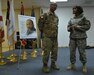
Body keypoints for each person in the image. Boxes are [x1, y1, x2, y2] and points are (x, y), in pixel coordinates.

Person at [67, 6, 91, 73]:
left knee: (82, 52)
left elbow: (87, 26)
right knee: (72, 52)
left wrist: (78, 27)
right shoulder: (71, 19)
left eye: (75, 9)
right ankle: (72, 64)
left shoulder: (84, 18)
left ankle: (84, 65)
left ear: (79, 10)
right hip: (72, 38)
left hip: (81, 38)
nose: (73, 10)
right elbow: (68, 27)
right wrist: (71, 27)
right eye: (73, 9)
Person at [38, 2, 60, 73]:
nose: (55, 7)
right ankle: (45, 65)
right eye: (53, 5)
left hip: (54, 37)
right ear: (50, 6)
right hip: (47, 37)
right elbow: (40, 26)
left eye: (56, 6)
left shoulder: (56, 17)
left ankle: (53, 64)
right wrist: (46, 33)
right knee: (46, 52)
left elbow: (56, 27)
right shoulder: (44, 15)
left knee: (55, 52)